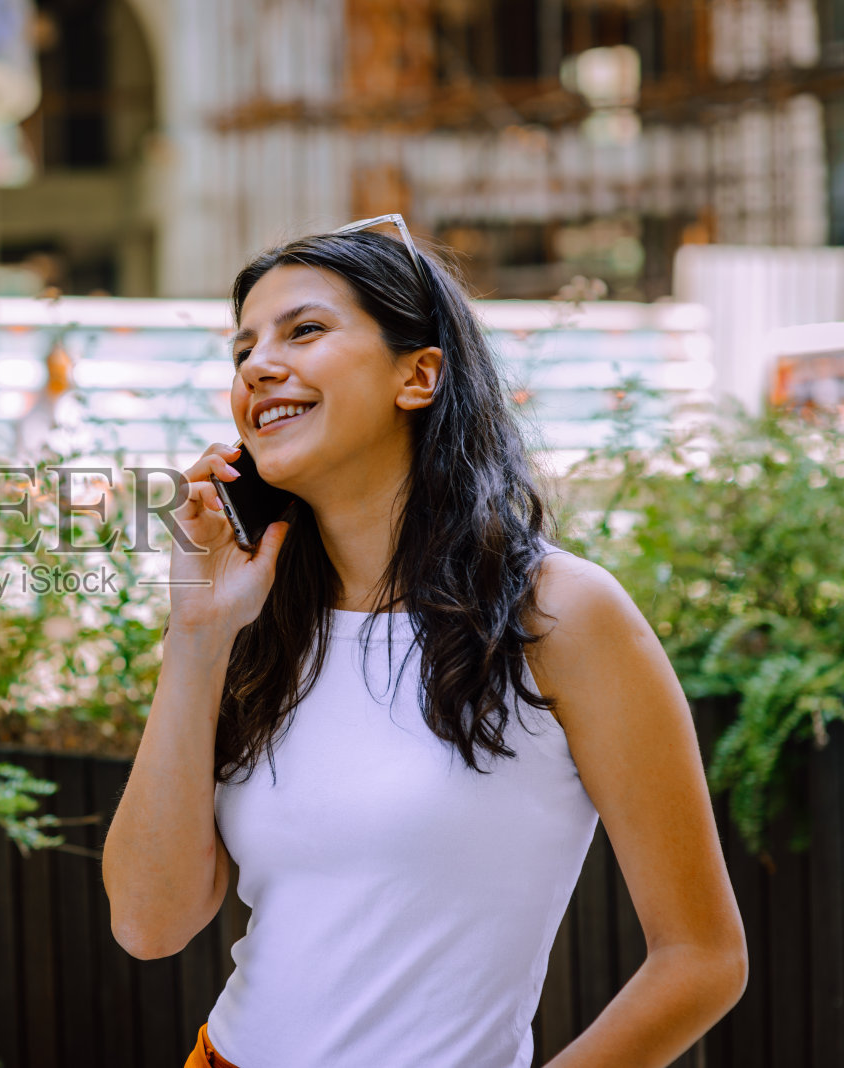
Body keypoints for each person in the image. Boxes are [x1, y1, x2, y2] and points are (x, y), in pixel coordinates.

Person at [100, 218, 748, 1067]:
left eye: (304, 330)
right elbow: (149, 925)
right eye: (243, 348)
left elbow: (703, 959)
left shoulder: (559, 613)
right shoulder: (253, 618)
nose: (257, 365)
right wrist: (196, 636)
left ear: (420, 374)